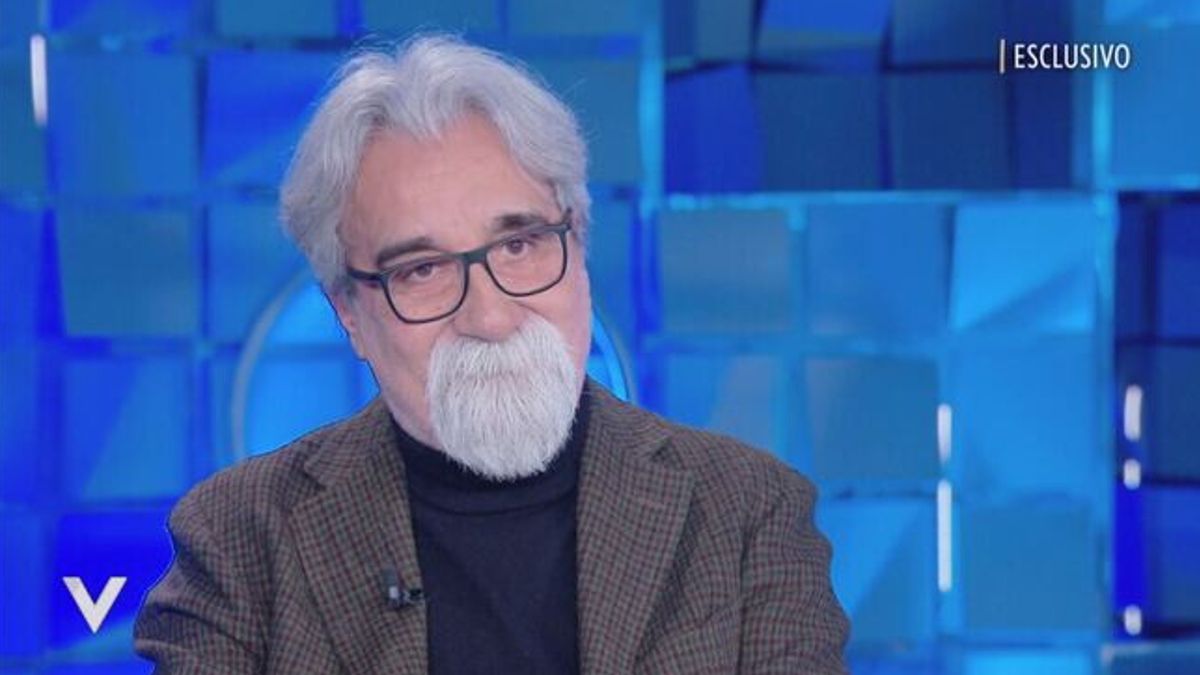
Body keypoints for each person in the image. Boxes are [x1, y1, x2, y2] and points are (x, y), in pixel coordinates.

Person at [134, 34, 848, 674]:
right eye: (422, 269)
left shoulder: (748, 513)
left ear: (579, 243)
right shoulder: (240, 539)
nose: (490, 315)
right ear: (349, 312)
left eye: (519, 245)